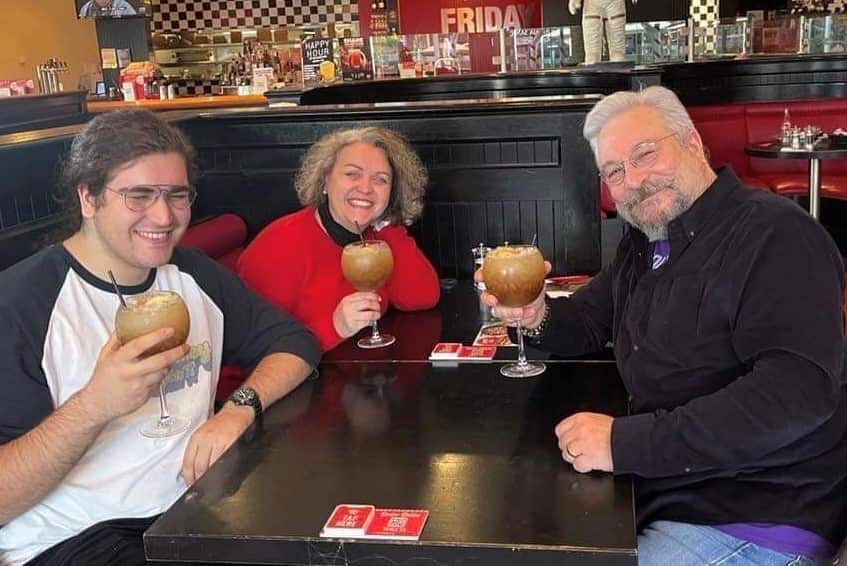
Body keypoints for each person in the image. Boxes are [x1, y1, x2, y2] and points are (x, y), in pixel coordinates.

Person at [480, 86, 847, 565]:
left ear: (693, 142)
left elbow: (794, 395)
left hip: (760, 513)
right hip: (668, 492)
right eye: (614, 171)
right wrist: (536, 314)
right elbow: (586, 320)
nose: (634, 180)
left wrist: (624, 443)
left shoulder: (777, 234)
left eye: (646, 154)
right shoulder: (645, 242)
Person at [0, 109, 320, 566]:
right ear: (88, 197)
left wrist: (237, 409)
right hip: (75, 538)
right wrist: (94, 406)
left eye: (177, 195)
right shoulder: (21, 305)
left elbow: (294, 344)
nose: (164, 215)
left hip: (190, 512)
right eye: (139, 195)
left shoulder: (191, 275)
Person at [237, 126, 440, 352]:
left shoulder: (375, 240)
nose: (366, 188)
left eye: (381, 180)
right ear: (325, 180)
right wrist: (335, 327)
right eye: (352, 174)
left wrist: (385, 222)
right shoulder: (277, 247)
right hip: (304, 373)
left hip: (363, 369)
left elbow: (422, 296)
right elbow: (257, 350)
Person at [568, 0, 636, 64]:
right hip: (614, 5)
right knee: (617, 54)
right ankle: (618, 68)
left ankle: (594, 67)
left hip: (593, 7)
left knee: (592, 55)